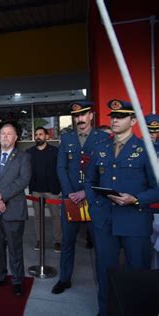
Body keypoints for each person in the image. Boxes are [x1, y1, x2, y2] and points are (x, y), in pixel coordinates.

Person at [85, 99, 159, 316]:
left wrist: (135, 198)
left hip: (134, 221)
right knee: (105, 271)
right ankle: (105, 311)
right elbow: (89, 181)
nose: (115, 120)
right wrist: (95, 206)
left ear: (133, 121)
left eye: (121, 116)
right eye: (113, 117)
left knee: (138, 272)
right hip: (105, 221)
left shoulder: (148, 149)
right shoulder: (100, 148)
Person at [52, 101, 109, 295]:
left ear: (91, 116)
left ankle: (104, 283)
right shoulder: (66, 138)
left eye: (83, 115)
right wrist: (70, 193)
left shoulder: (103, 138)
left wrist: (86, 192)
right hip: (71, 199)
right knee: (67, 242)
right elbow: (61, 168)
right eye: (76, 116)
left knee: (100, 245)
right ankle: (64, 279)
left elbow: (105, 171)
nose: (80, 119)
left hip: (94, 199)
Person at [0, 123, 31, 296]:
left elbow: (23, 180)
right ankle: (0, 276)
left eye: (9, 134)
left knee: (15, 247)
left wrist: (2, 196)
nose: (5, 136)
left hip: (14, 209)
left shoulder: (23, 157)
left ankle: (17, 281)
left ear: (16, 138)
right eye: (2, 133)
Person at [26, 127, 62, 252]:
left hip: (52, 190)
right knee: (37, 217)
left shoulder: (55, 151)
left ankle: (58, 241)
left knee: (55, 216)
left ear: (47, 136)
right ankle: (39, 241)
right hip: (36, 189)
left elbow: (61, 170)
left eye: (41, 134)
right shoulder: (29, 152)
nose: (38, 136)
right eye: (36, 134)